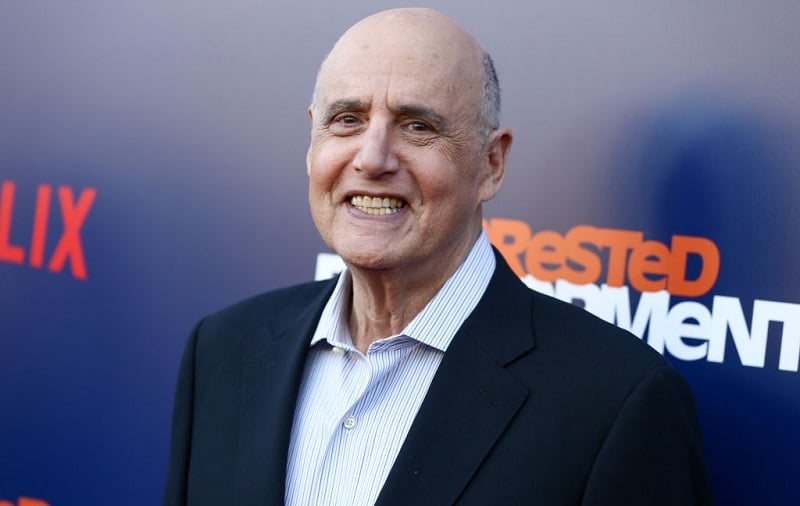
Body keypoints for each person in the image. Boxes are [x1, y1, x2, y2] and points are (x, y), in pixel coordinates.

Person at [163, 7, 711, 505]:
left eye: (417, 126)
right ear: (313, 142)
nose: (372, 159)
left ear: (491, 164)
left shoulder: (616, 403)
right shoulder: (223, 353)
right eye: (348, 119)